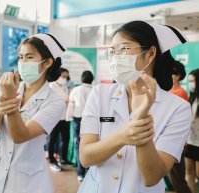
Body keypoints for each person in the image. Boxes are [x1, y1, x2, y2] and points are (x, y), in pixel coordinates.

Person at [77, 20, 192, 193]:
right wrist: (123, 136)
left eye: (123, 49)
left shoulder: (178, 108)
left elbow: (151, 177)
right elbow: (86, 157)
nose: (116, 57)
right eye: (113, 51)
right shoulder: (99, 94)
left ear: (150, 53)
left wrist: (141, 119)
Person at [0, 33, 65, 193]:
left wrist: (9, 100)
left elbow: (20, 136)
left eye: (29, 57)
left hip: (30, 183)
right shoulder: (7, 89)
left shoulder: (54, 101)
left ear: (47, 62)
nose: (23, 62)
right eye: (21, 57)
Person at [66, 70, 94, 182]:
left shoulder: (76, 90)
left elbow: (70, 105)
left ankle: (80, 173)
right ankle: (89, 170)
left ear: (82, 79)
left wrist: (68, 118)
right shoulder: (95, 90)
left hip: (77, 120)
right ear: (91, 79)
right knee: (91, 144)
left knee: (78, 145)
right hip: (92, 120)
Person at [168, 61, 191, 193]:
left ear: (177, 76)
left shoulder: (180, 93)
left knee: (178, 180)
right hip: (172, 140)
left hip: (177, 141)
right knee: (175, 179)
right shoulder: (171, 91)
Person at [48, 67, 71, 171]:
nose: (64, 78)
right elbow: (49, 101)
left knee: (65, 138)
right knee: (53, 139)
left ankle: (63, 159)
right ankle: (52, 160)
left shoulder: (65, 87)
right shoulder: (51, 86)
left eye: (66, 77)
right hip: (54, 117)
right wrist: (63, 102)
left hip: (64, 117)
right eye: (63, 76)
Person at [185, 69, 199, 193]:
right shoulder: (192, 98)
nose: (191, 84)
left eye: (193, 81)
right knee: (189, 171)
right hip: (190, 141)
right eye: (189, 81)